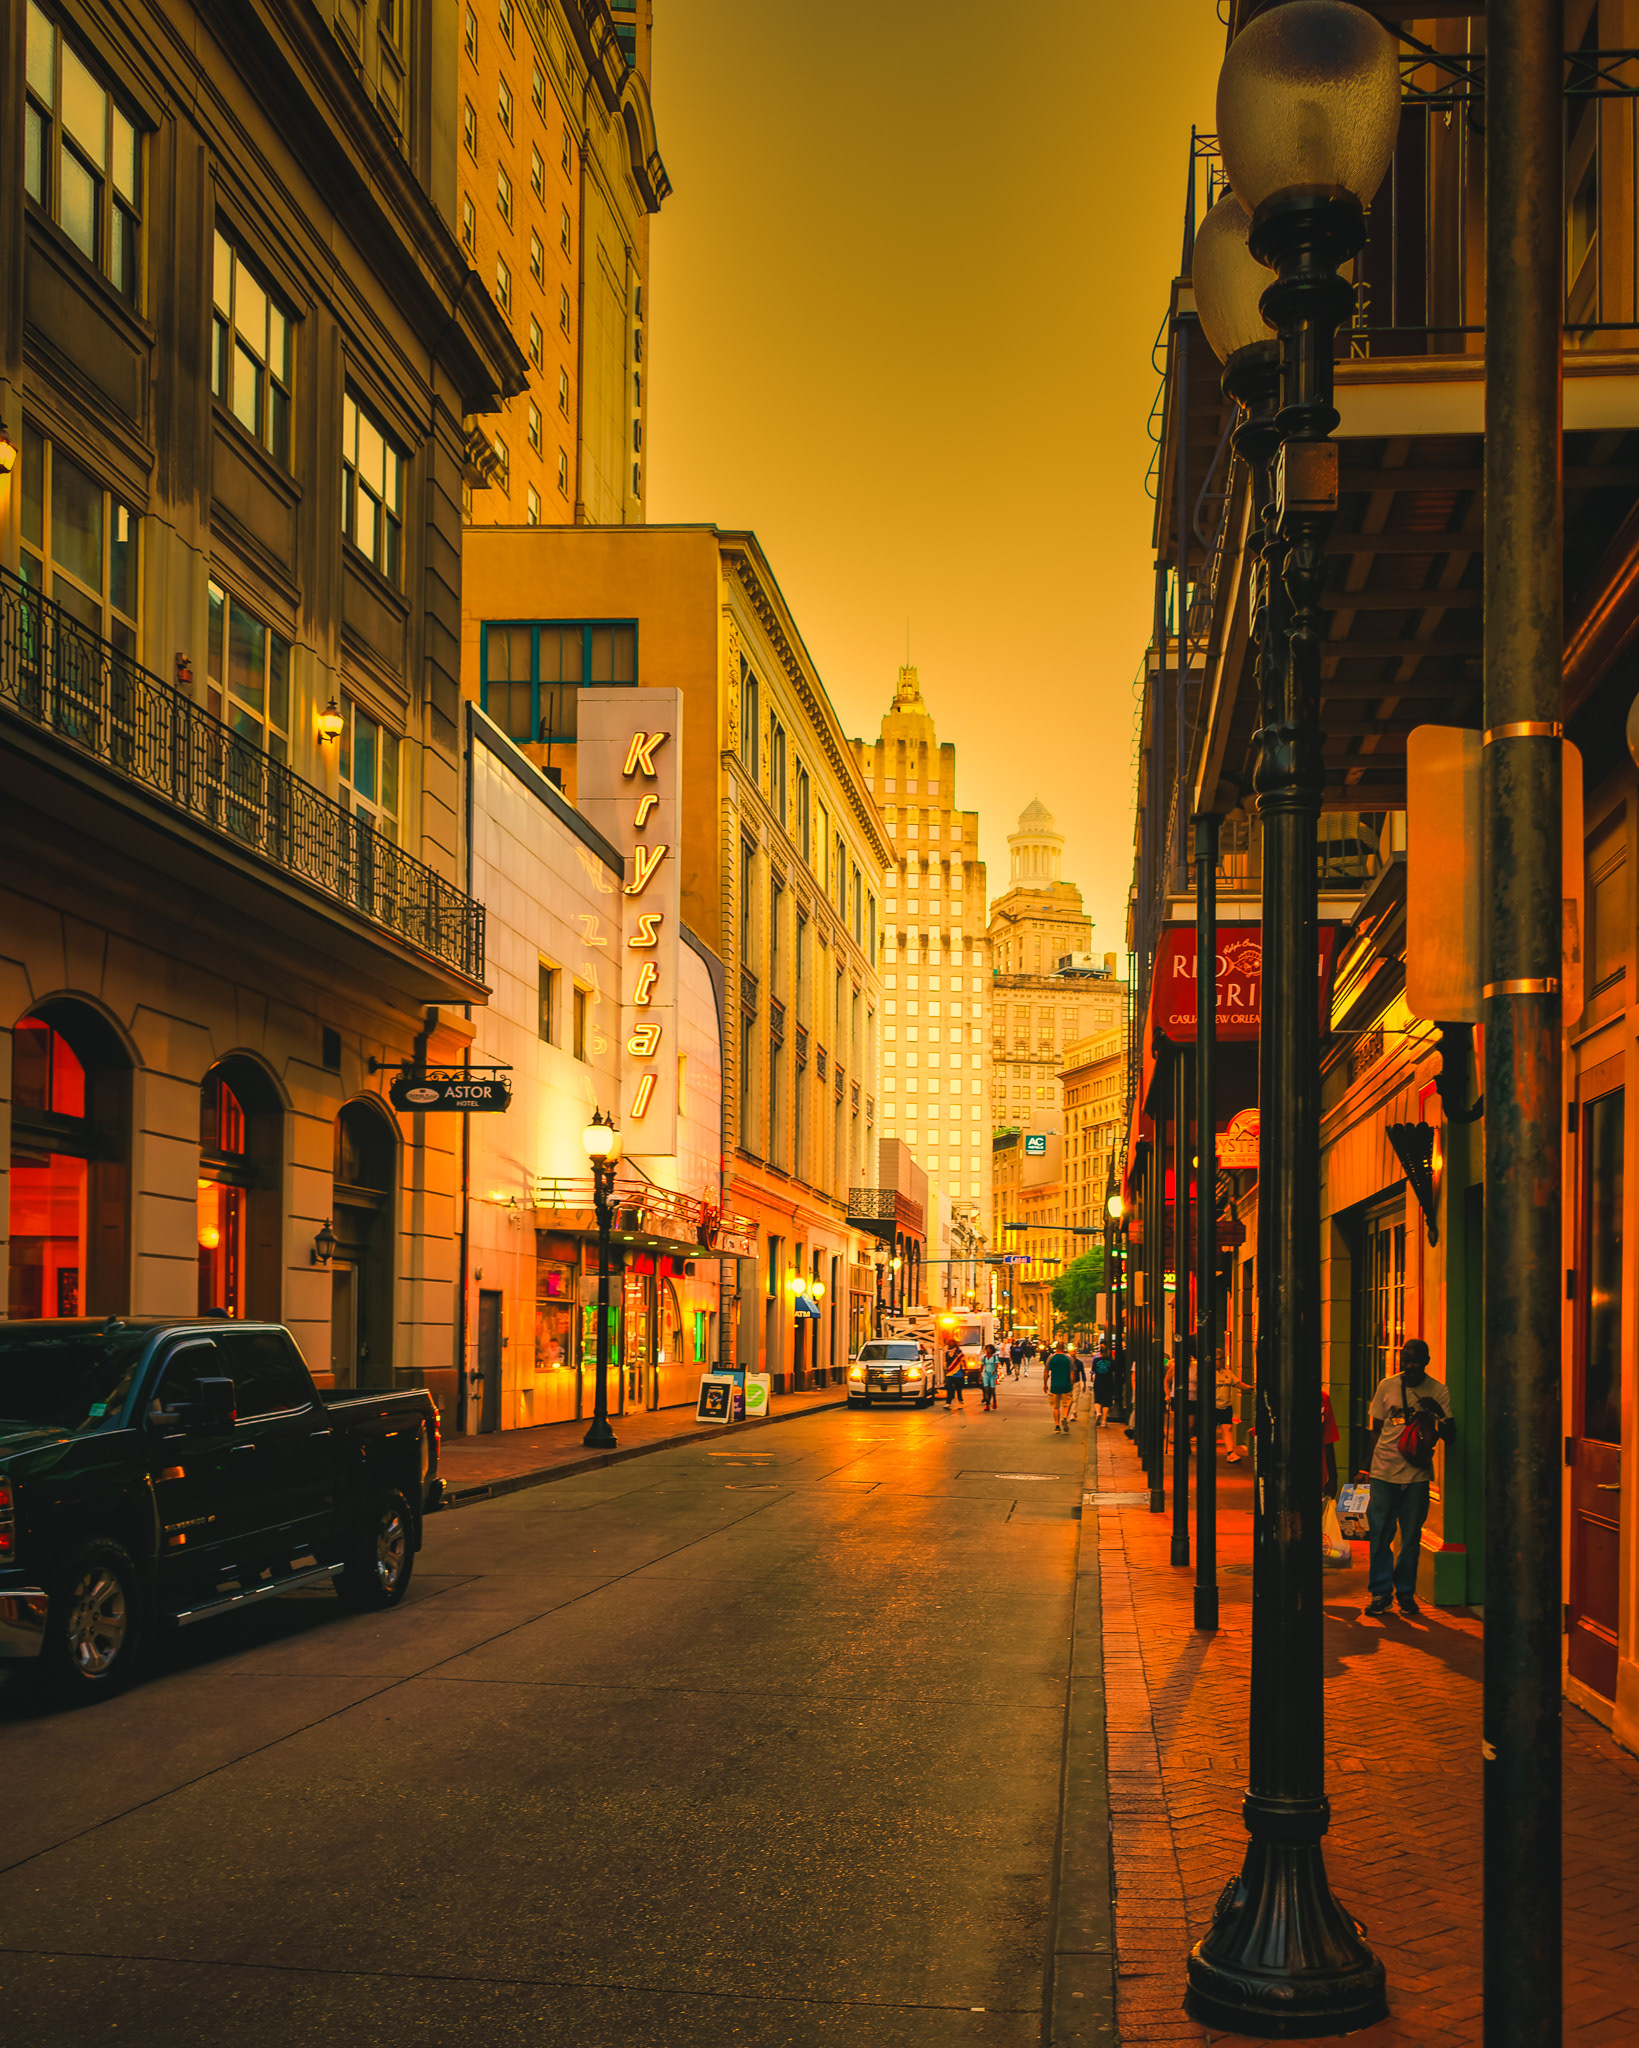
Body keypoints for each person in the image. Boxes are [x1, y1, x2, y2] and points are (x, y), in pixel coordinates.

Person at [1362, 1338, 1453, 1618]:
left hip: (1417, 1475)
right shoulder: (1387, 1386)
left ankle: (1405, 1592)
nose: (1410, 1365)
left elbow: (1451, 1435)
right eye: (1406, 1360)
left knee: (1411, 1536)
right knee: (1380, 1535)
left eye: (1416, 1360)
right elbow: (1375, 1429)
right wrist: (1367, 1467)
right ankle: (1380, 1593)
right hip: (1384, 1471)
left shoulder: (1439, 1390)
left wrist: (1436, 1411)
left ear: (1426, 1361)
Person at [1043, 1339, 1076, 1433]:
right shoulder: (1069, 1358)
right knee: (1067, 1403)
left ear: (1056, 1348)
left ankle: (1057, 1425)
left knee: (1055, 1406)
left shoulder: (1051, 1358)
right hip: (1066, 1385)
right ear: (1064, 1348)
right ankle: (1065, 1417)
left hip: (1055, 1385)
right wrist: (1071, 1383)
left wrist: (1045, 1384)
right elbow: (1072, 1374)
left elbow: (1046, 1372)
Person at [1092, 1350, 1116, 1427]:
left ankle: (1098, 1412)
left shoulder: (1096, 1360)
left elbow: (1094, 1370)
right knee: (1106, 1402)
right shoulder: (1111, 1361)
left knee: (1097, 1399)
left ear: (1100, 1353)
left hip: (1098, 1382)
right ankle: (1103, 1421)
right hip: (1108, 1383)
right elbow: (1113, 1370)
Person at [943, 1337, 967, 1409]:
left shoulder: (959, 1352)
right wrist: (945, 1368)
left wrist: (964, 1369)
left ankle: (960, 1402)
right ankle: (948, 1403)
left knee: (959, 1389)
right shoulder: (947, 1353)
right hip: (950, 1373)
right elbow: (945, 1362)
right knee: (949, 1388)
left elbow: (963, 1360)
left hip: (958, 1373)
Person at [980, 1343, 1000, 1411]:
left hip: (992, 1374)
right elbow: (982, 1365)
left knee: (992, 1390)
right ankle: (987, 1404)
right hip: (986, 1374)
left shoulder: (994, 1357)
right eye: (987, 1349)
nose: (988, 1350)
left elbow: (996, 1365)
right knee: (986, 1390)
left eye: (989, 1349)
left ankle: (994, 1400)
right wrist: (980, 1374)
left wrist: (995, 1371)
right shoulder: (984, 1357)